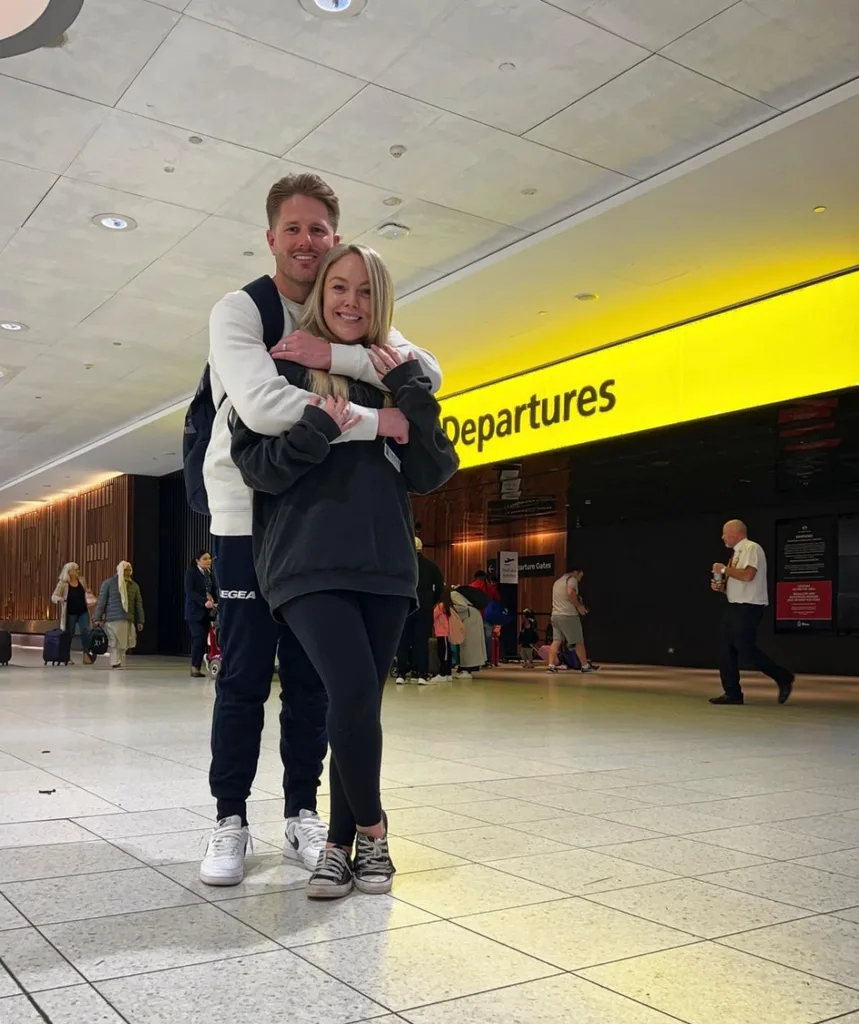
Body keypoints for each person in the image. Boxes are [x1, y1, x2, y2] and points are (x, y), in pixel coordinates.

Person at [199, 172, 442, 887]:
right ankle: (229, 817)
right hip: (249, 512)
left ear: (335, 238)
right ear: (271, 236)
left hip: (331, 533)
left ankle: (307, 813)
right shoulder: (241, 310)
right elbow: (265, 406)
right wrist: (381, 421)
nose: (307, 243)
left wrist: (334, 359)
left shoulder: (348, 299)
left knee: (314, 683)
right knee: (243, 677)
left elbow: (425, 369)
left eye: (319, 230)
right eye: (293, 229)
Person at [710, 519, 794, 705]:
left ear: (735, 532)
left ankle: (782, 676)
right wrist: (721, 586)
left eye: (725, 533)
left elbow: (748, 575)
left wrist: (724, 569)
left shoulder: (751, 548)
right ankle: (732, 693)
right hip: (734, 606)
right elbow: (738, 582)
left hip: (748, 607)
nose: (722, 537)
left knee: (745, 648)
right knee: (726, 650)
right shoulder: (736, 554)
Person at [396, 537, 443, 685]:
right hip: (424, 608)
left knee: (403, 640)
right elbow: (440, 589)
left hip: (405, 606)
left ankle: (401, 674)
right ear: (422, 548)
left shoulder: (402, 565)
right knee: (422, 641)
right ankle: (421, 674)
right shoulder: (431, 566)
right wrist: (430, 602)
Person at [93, 562, 144, 669]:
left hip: (127, 618)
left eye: (129, 570)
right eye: (125, 570)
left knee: (124, 643)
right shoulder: (109, 583)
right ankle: (115, 661)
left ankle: (118, 660)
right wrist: (97, 617)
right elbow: (101, 602)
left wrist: (140, 620)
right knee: (114, 642)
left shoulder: (134, 586)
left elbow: (138, 604)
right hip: (112, 619)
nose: (128, 572)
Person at [548, 569, 599, 674]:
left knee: (556, 640)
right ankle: (585, 666)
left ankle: (551, 666)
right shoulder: (571, 580)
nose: (580, 579)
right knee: (578, 641)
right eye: (581, 575)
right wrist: (579, 607)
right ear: (576, 572)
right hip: (568, 615)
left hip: (555, 615)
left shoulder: (557, 582)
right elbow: (571, 593)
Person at [51, 562, 95, 664]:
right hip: (70, 613)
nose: (78, 571)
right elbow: (54, 596)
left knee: (86, 631)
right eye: (76, 570)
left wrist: (88, 593)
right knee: (69, 634)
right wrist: (60, 599)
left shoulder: (82, 581)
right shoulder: (63, 584)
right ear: (69, 572)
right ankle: (66, 656)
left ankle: (85, 654)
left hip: (83, 611)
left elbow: (85, 593)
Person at [184, 550, 217, 678]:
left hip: (208, 612)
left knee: (204, 639)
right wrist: (204, 602)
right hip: (194, 612)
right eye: (205, 559)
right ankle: (195, 667)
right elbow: (190, 592)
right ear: (197, 560)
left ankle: (202, 663)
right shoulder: (191, 573)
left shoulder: (210, 574)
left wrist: (216, 601)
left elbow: (214, 590)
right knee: (199, 637)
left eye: (209, 558)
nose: (208, 561)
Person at [471, 569, 500, 663]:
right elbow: (497, 599)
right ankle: (487, 659)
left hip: (475, 615)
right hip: (488, 615)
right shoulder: (491, 587)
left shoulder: (472, 586)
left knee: (475, 637)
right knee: (488, 638)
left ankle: (476, 659)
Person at [431, 585, 455, 682]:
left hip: (442, 633)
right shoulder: (448, 605)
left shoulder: (440, 606)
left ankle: (443, 673)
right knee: (447, 653)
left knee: (443, 654)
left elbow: (433, 615)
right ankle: (448, 673)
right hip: (445, 633)